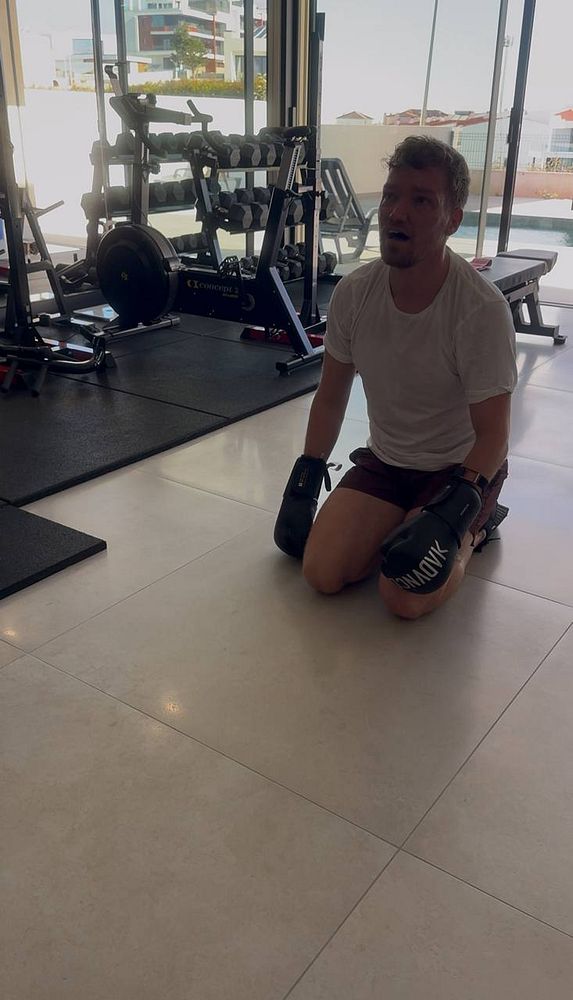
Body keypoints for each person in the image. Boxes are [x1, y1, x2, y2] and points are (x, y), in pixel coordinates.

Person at [274, 135, 518, 620]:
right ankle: (401, 523)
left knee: (404, 597)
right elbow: (330, 397)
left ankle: (477, 528)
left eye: (421, 200)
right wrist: (305, 475)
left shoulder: (479, 311)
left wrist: (453, 515)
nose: (397, 213)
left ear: (452, 219)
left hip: (459, 469)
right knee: (321, 573)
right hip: (388, 461)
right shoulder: (354, 293)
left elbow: (494, 437)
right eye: (391, 196)